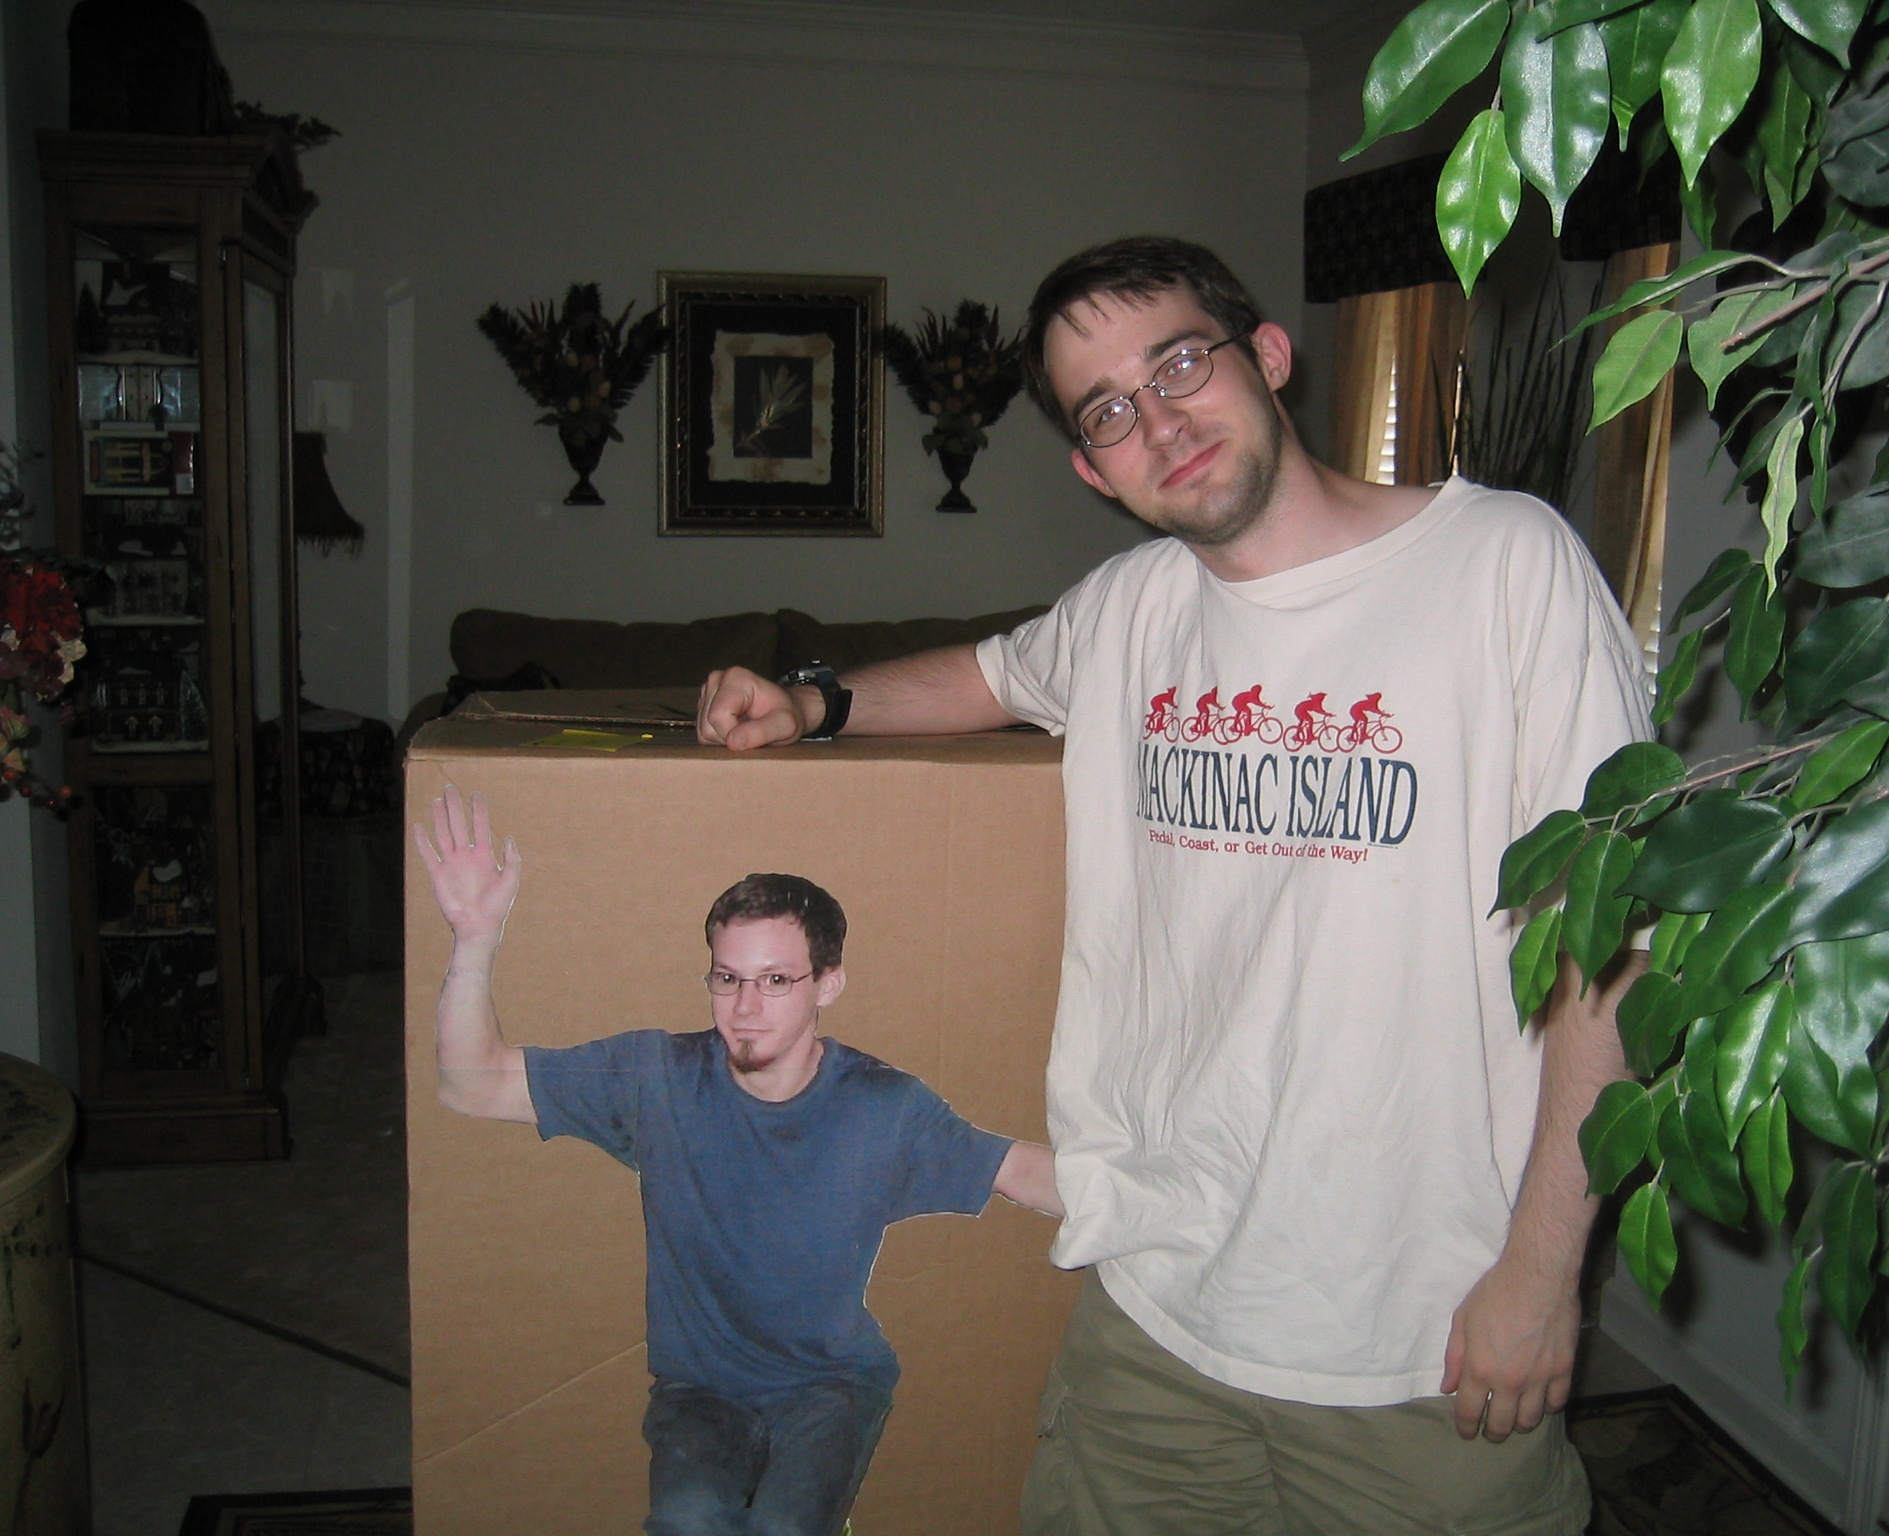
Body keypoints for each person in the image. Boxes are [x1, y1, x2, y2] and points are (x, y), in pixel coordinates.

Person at [695, 235, 1651, 1536]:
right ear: (1094, 470)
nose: (1158, 421)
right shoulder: (1130, 610)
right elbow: (986, 676)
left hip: (1418, 1345)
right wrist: (811, 705)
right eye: (1106, 410)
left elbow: (1610, 940)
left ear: (1269, 356)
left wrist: (1543, 1273)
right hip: (1152, 1312)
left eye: (1179, 363)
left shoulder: (1503, 566)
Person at [413, 784, 1062, 1536]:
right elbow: (472, 1084)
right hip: (699, 1389)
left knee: (784, 1528)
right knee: (687, 1521)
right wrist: (474, 938)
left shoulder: (881, 1108)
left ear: (828, 984)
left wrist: (1157, 1203)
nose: (745, 1008)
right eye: (728, 978)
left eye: (776, 980)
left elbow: (1021, 1171)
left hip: (829, 1384)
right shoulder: (656, 1080)